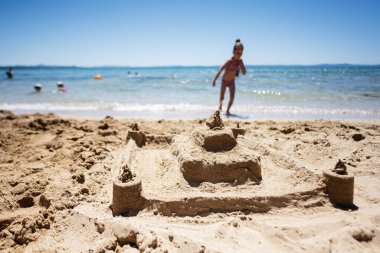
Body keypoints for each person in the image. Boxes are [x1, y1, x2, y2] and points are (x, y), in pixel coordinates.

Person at [212, 39, 246, 115]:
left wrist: (241, 64)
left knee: (232, 97)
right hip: (224, 80)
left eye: (241, 53)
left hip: (231, 81)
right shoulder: (229, 62)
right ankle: (220, 107)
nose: (239, 55)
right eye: (237, 53)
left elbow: (244, 73)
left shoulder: (239, 62)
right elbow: (220, 70)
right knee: (222, 97)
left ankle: (227, 111)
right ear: (233, 52)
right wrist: (214, 79)